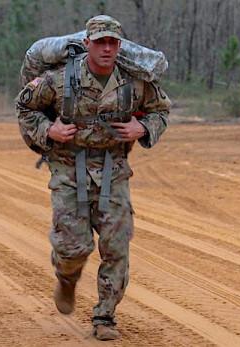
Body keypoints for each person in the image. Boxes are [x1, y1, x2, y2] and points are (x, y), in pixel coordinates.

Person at [15, 15, 171, 340]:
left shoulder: (134, 82)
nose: (106, 48)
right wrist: (49, 130)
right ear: (87, 44)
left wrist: (142, 127)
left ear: (119, 46)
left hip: (114, 170)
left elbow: (161, 109)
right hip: (69, 166)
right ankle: (67, 278)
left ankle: (105, 317)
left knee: (116, 247)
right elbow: (25, 107)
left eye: (112, 42)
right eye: (100, 42)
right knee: (73, 247)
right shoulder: (60, 80)